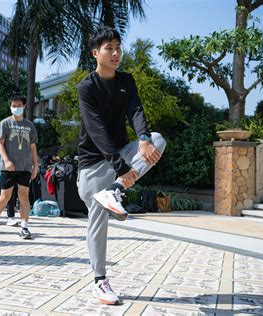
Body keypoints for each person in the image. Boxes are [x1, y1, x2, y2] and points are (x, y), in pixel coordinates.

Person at [76, 26, 166, 305]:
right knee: (98, 219)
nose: (116, 53)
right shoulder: (86, 87)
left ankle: (114, 190)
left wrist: (142, 139)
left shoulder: (126, 80)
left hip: (121, 158)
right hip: (92, 164)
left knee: (158, 140)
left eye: (118, 47)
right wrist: (121, 167)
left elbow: (136, 110)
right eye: (109, 48)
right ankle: (99, 281)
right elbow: (96, 130)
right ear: (95, 53)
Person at [0, 95, 38, 239]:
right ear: (10, 106)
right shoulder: (5, 123)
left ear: (24, 106)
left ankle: (24, 227)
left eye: (19, 105)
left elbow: (33, 147)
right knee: (5, 196)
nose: (16, 108)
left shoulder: (30, 126)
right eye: (14, 105)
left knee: (24, 196)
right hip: (8, 168)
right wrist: (6, 160)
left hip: (25, 167)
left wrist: (35, 166)